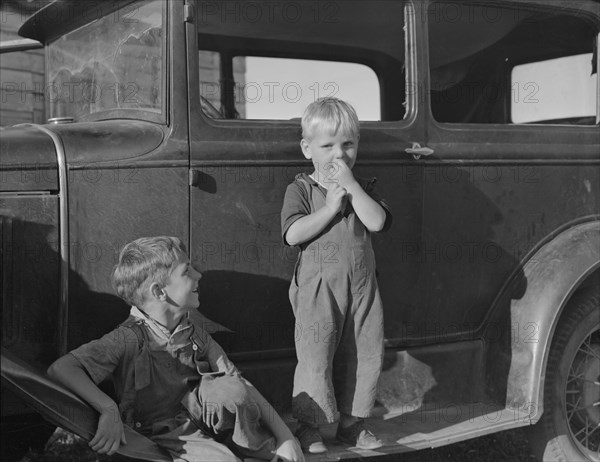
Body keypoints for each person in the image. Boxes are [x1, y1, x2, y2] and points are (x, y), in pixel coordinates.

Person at [47, 236, 304, 462]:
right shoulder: (127, 338)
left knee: (232, 390)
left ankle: (255, 451)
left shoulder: (192, 332)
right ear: (159, 292)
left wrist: (286, 437)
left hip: (194, 416)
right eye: (187, 271)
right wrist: (108, 408)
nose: (199, 275)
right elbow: (62, 369)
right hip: (157, 432)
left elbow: (238, 383)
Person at [280, 97, 392, 454]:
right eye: (327, 146)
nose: (339, 155)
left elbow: (376, 221)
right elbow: (292, 234)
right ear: (307, 149)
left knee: (364, 353)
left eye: (348, 144)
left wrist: (352, 188)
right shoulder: (300, 189)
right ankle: (309, 426)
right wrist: (330, 207)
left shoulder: (364, 189)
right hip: (318, 290)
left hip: (361, 288)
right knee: (315, 356)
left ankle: (351, 424)